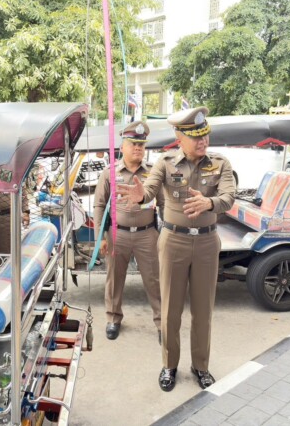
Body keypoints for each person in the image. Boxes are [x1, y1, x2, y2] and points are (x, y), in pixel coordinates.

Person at [116, 106, 235, 392]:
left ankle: (200, 366)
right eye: (195, 136)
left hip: (206, 242)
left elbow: (229, 197)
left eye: (204, 135)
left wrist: (209, 203)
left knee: (203, 311)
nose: (202, 141)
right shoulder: (166, 162)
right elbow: (149, 189)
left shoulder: (220, 163)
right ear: (179, 138)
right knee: (170, 310)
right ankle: (169, 365)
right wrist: (140, 196)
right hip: (173, 242)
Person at [93, 121, 163, 342]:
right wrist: (100, 237)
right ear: (122, 146)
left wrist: (167, 235)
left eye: (141, 145)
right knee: (114, 279)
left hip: (147, 234)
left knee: (154, 279)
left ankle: (162, 322)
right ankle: (113, 319)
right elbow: (99, 205)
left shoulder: (153, 173)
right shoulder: (110, 173)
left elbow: (164, 204)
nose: (138, 148)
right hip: (118, 234)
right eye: (133, 144)